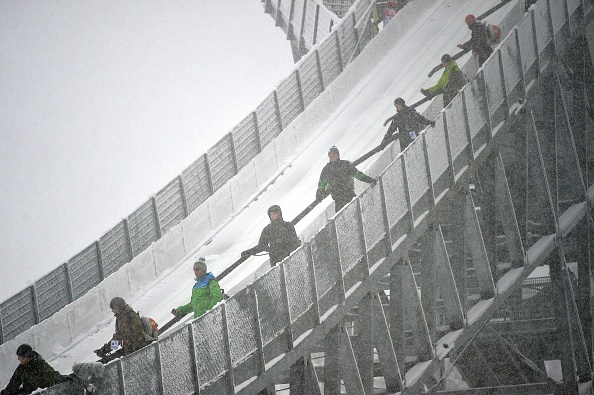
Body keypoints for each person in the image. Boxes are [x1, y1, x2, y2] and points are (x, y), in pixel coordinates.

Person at [316, 146, 376, 211]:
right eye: (330, 155)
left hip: (349, 196)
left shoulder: (346, 165)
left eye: (333, 154)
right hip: (338, 199)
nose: (331, 156)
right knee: (341, 218)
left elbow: (358, 175)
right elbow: (321, 185)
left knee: (354, 214)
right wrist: (319, 195)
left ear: (338, 155)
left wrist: (369, 180)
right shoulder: (326, 170)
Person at [94, 297, 147, 364]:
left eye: (113, 308)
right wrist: (104, 350)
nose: (112, 311)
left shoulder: (130, 315)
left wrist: (131, 349)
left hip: (137, 352)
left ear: (117, 307)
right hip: (130, 351)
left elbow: (138, 334)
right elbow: (118, 339)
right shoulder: (120, 318)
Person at [1, 344, 71, 394]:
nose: (18, 359)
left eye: (21, 357)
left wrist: (65, 379)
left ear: (28, 357)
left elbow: (53, 377)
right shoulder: (21, 368)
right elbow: (14, 383)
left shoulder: (40, 365)